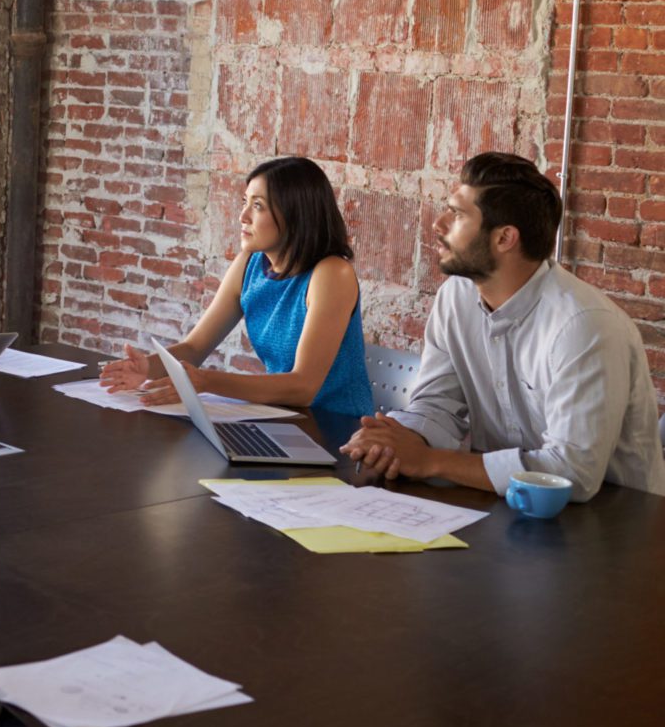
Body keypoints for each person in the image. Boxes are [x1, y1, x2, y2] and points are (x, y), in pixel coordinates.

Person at [343, 153, 665, 501]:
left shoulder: (584, 326)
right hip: (506, 507)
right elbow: (437, 405)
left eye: (458, 214)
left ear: (504, 238)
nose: (438, 224)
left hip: (616, 524)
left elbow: (574, 472)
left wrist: (430, 461)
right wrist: (392, 442)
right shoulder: (456, 297)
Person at [100, 156, 372, 416]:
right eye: (245, 202)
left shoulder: (331, 273)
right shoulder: (250, 264)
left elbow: (303, 387)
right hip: (280, 418)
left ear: (295, 214)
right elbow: (195, 348)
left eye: (258, 206)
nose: (242, 216)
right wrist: (148, 367)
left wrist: (205, 381)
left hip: (337, 430)